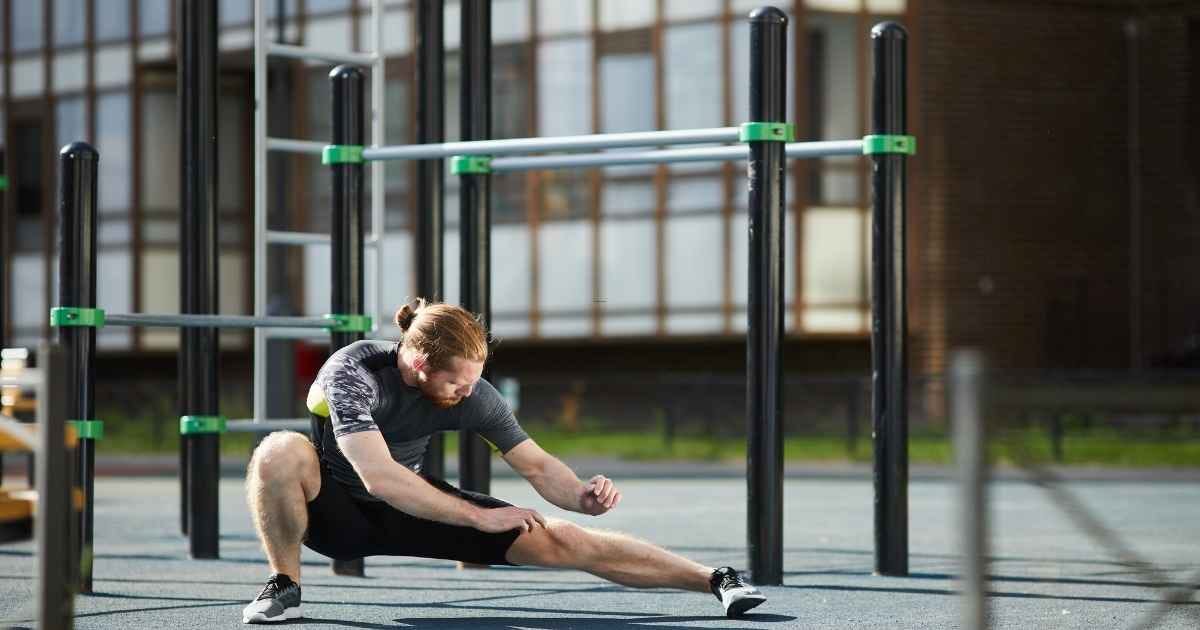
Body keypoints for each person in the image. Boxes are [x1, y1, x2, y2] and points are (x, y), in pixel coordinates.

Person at [241, 299, 767, 624]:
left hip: (414, 507)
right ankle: (285, 582)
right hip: (332, 509)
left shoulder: (473, 392)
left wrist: (579, 494)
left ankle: (715, 580)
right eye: (457, 381)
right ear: (419, 363)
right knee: (279, 450)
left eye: (475, 380)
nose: (468, 392)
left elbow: (536, 465)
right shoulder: (353, 372)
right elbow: (378, 477)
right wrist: (479, 516)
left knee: (565, 539)